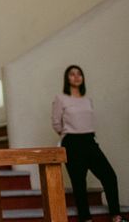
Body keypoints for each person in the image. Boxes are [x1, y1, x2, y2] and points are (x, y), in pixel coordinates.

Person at [52, 65, 124, 222]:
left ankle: (116, 216)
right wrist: (69, 135)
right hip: (72, 142)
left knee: (109, 176)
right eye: (72, 74)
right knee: (79, 183)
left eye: (79, 74)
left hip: (89, 140)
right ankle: (86, 218)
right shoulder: (60, 98)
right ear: (67, 78)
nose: (76, 77)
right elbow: (56, 123)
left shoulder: (87, 100)